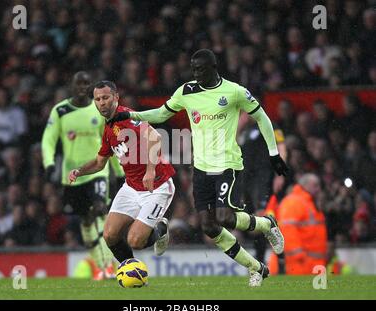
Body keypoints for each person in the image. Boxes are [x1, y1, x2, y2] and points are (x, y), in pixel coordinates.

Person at [108, 49, 288, 286]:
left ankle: (267, 224)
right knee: (210, 227)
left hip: (227, 165)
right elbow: (162, 114)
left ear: (214, 68)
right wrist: (133, 117)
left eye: (200, 69)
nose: (196, 74)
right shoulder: (186, 91)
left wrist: (274, 154)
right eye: (193, 69)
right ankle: (256, 268)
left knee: (225, 217)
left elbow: (262, 118)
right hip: (201, 169)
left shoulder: (234, 92)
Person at [68, 80, 175, 264]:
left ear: (116, 97)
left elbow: (155, 137)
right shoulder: (108, 128)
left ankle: (160, 231)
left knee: (135, 240)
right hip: (131, 187)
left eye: (105, 97)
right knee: (109, 235)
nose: (102, 102)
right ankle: (131, 269)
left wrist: (150, 171)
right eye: (97, 99)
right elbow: (100, 162)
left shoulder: (127, 117)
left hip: (156, 186)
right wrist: (79, 171)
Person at [41, 72, 124, 280]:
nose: (82, 87)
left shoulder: (99, 110)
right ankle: (99, 266)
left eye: (86, 83)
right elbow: (48, 139)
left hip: (97, 171)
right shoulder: (60, 111)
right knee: (86, 221)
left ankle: (109, 266)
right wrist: (49, 163)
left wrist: (120, 171)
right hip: (72, 176)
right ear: (72, 85)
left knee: (100, 210)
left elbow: (109, 143)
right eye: (79, 83)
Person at [238, 112, 287, 271]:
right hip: (245, 178)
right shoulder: (244, 129)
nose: (242, 114)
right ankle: (260, 258)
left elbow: (281, 145)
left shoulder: (268, 123)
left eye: (244, 111)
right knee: (251, 220)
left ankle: (267, 260)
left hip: (263, 176)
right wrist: (240, 124)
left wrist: (280, 172)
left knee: (261, 214)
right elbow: (231, 142)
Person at [276, 173, 327, 274]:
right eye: (315, 185)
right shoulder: (294, 202)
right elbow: (287, 230)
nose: (318, 189)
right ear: (305, 185)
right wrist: (298, 255)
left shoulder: (309, 202)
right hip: (299, 264)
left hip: (311, 263)